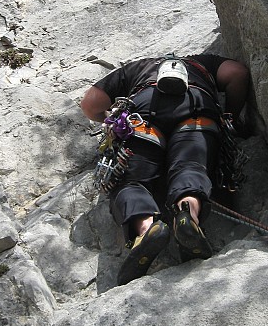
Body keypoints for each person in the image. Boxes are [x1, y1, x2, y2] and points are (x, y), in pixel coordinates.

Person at [80, 53, 249, 285]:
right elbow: (237, 73)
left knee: (131, 182)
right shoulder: (203, 63)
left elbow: (90, 103)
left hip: (143, 116)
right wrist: (231, 116)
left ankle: (147, 229)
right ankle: (187, 215)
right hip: (197, 111)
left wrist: (109, 119)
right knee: (191, 167)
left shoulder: (137, 68)